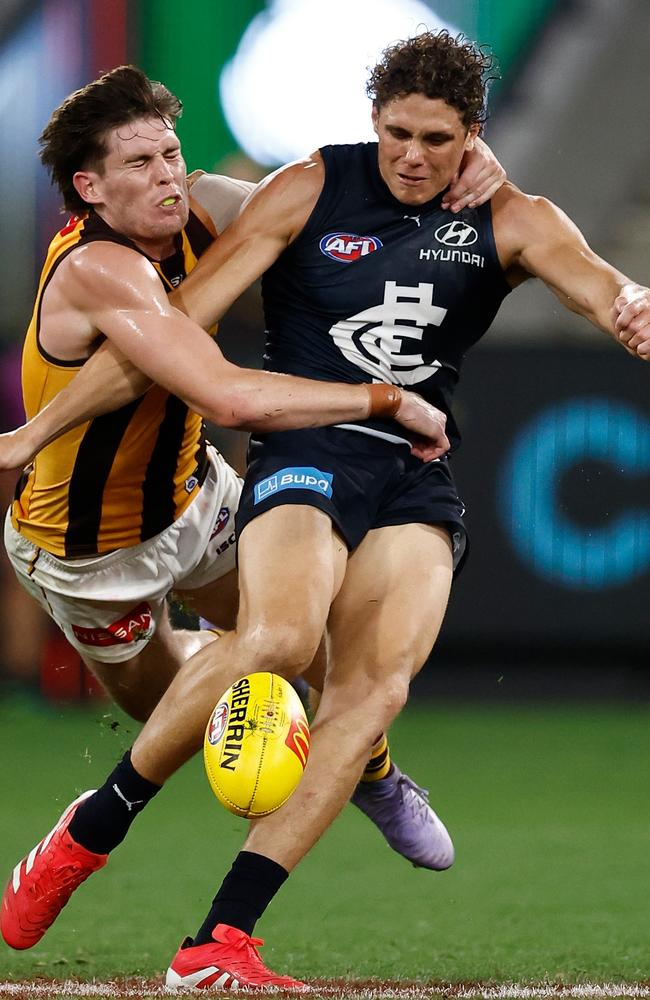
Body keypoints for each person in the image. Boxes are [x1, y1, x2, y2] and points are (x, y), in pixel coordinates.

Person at [7, 32, 650, 991]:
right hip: (290, 456)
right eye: (395, 133)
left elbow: (598, 281)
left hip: (405, 474)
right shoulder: (309, 189)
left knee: (369, 686)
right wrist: (31, 433)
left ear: (473, 135)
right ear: (372, 124)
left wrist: (630, 301)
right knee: (274, 640)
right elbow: (179, 339)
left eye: (438, 138)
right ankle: (91, 829)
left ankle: (219, 940)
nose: (413, 157)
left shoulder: (509, 213)